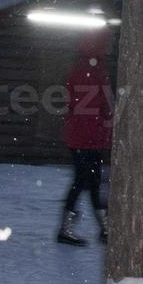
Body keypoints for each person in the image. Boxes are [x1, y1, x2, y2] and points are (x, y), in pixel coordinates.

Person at [57, 29, 112, 246]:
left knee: (89, 180)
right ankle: (70, 229)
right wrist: (103, 129)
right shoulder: (90, 70)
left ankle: (103, 228)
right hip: (86, 135)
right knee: (85, 180)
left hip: (84, 134)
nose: (108, 47)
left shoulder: (89, 67)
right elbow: (94, 106)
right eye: (105, 43)